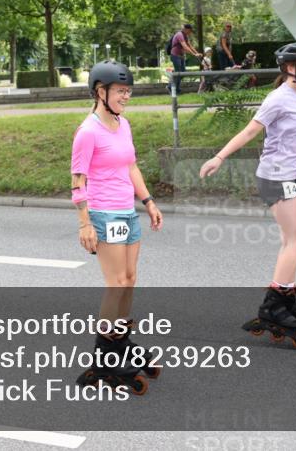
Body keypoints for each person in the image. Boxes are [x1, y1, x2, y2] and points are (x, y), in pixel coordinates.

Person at [199, 43, 296, 349]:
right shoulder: (277, 98)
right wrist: (219, 157)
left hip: (292, 173)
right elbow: (250, 131)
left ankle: (287, 298)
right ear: (290, 68)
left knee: (290, 241)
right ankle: (272, 306)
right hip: (275, 176)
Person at [72, 60, 164, 392]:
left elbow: (131, 167)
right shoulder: (88, 132)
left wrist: (149, 201)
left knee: (130, 279)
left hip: (127, 212)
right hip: (104, 214)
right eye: (121, 91)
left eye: (128, 91)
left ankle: (120, 341)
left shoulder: (122, 124)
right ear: (101, 92)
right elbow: (78, 182)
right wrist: (85, 224)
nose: (126, 96)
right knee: (115, 282)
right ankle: (104, 358)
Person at [169, 23, 202, 95]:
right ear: (186, 29)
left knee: (183, 72)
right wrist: (194, 54)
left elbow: (190, 46)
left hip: (181, 56)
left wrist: (197, 53)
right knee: (178, 72)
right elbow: (185, 47)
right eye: (189, 31)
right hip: (175, 55)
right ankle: (174, 89)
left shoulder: (185, 36)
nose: (190, 33)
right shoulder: (179, 35)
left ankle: (172, 87)